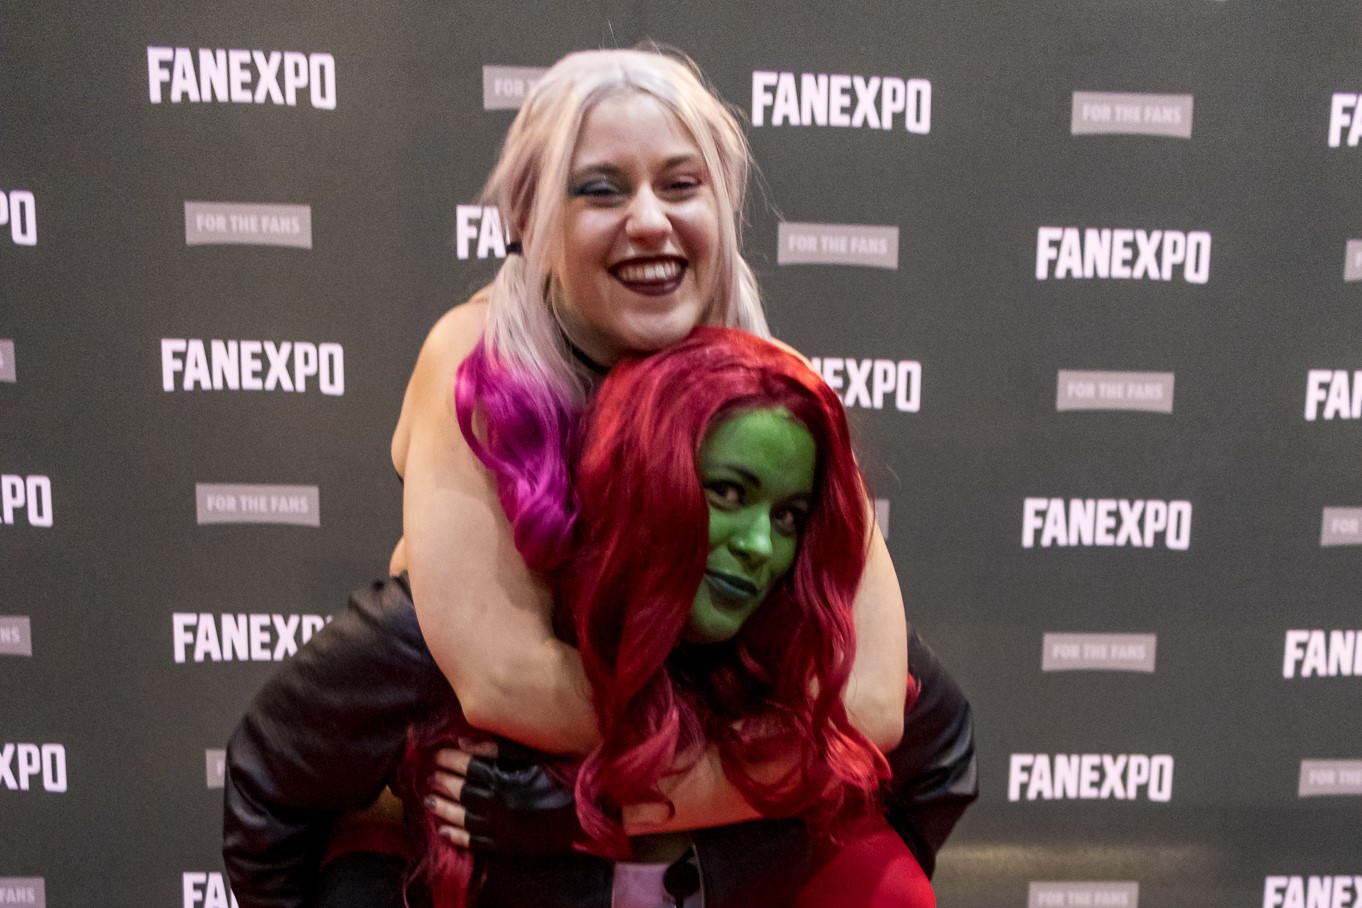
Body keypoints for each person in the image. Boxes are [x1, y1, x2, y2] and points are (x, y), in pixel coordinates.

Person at [224, 46, 976, 908]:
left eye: (680, 184)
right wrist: (770, 757)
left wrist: (605, 803)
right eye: (603, 189)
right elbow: (501, 683)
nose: (649, 221)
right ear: (528, 217)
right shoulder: (476, 362)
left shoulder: (773, 385)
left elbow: (876, 702)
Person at [402, 327, 929, 907]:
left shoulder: (798, 633)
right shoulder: (423, 627)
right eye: (727, 492)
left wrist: (592, 811)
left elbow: (921, 738)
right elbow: (293, 773)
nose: (759, 545)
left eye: (788, 517)